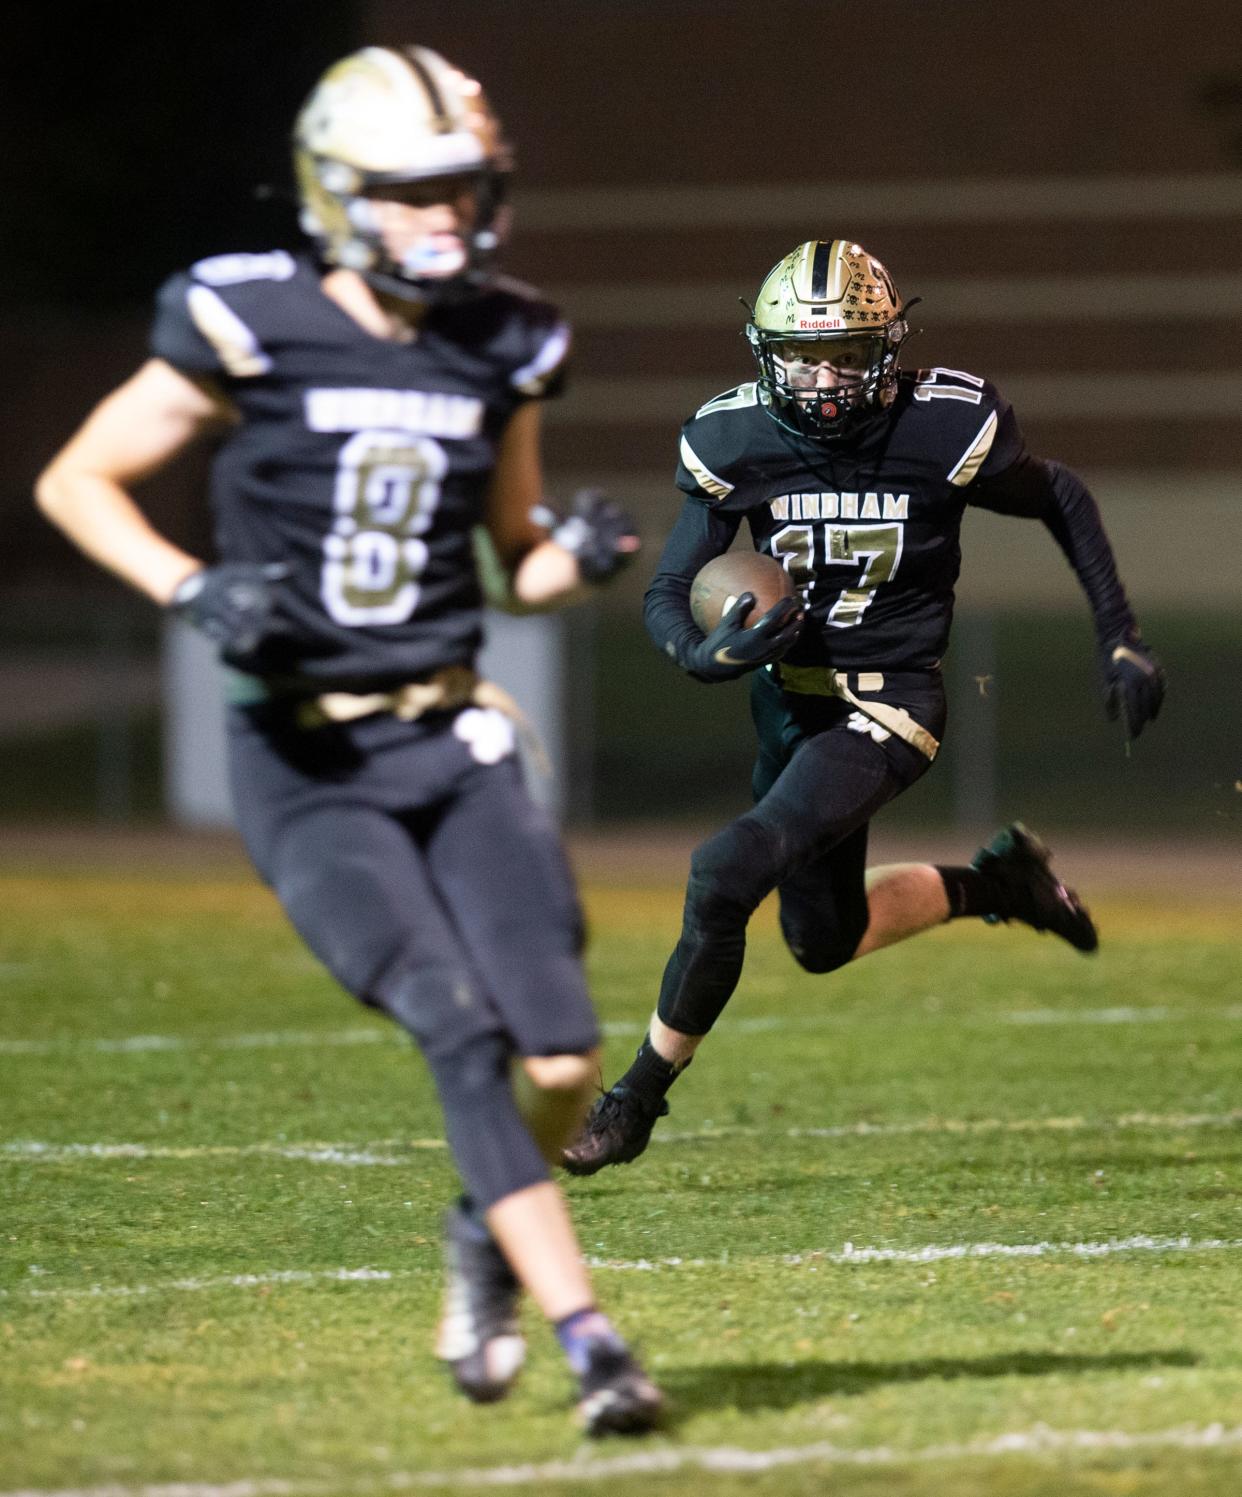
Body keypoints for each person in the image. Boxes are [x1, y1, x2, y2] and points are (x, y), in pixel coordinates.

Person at [35, 44, 662, 1435]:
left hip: (454, 737)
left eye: (464, 188)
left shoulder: (506, 338)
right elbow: (76, 479)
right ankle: (590, 1337)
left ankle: (477, 1234)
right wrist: (188, 585)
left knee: (560, 1060)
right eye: (413, 192)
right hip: (310, 762)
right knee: (456, 1025)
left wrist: (581, 558)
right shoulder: (244, 318)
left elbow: (514, 562)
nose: (448, 217)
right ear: (337, 197)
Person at [563, 237, 1166, 1176]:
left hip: (892, 704)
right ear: (764, 352)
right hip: (791, 711)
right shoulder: (735, 438)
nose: (823, 377)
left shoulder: (941, 424)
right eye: (802, 354)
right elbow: (669, 584)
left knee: (724, 871)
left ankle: (634, 1098)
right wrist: (698, 648)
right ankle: (999, 884)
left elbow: (1063, 495)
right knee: (822, 940)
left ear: (886, 348)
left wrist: (1118, 633)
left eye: (844, 353)